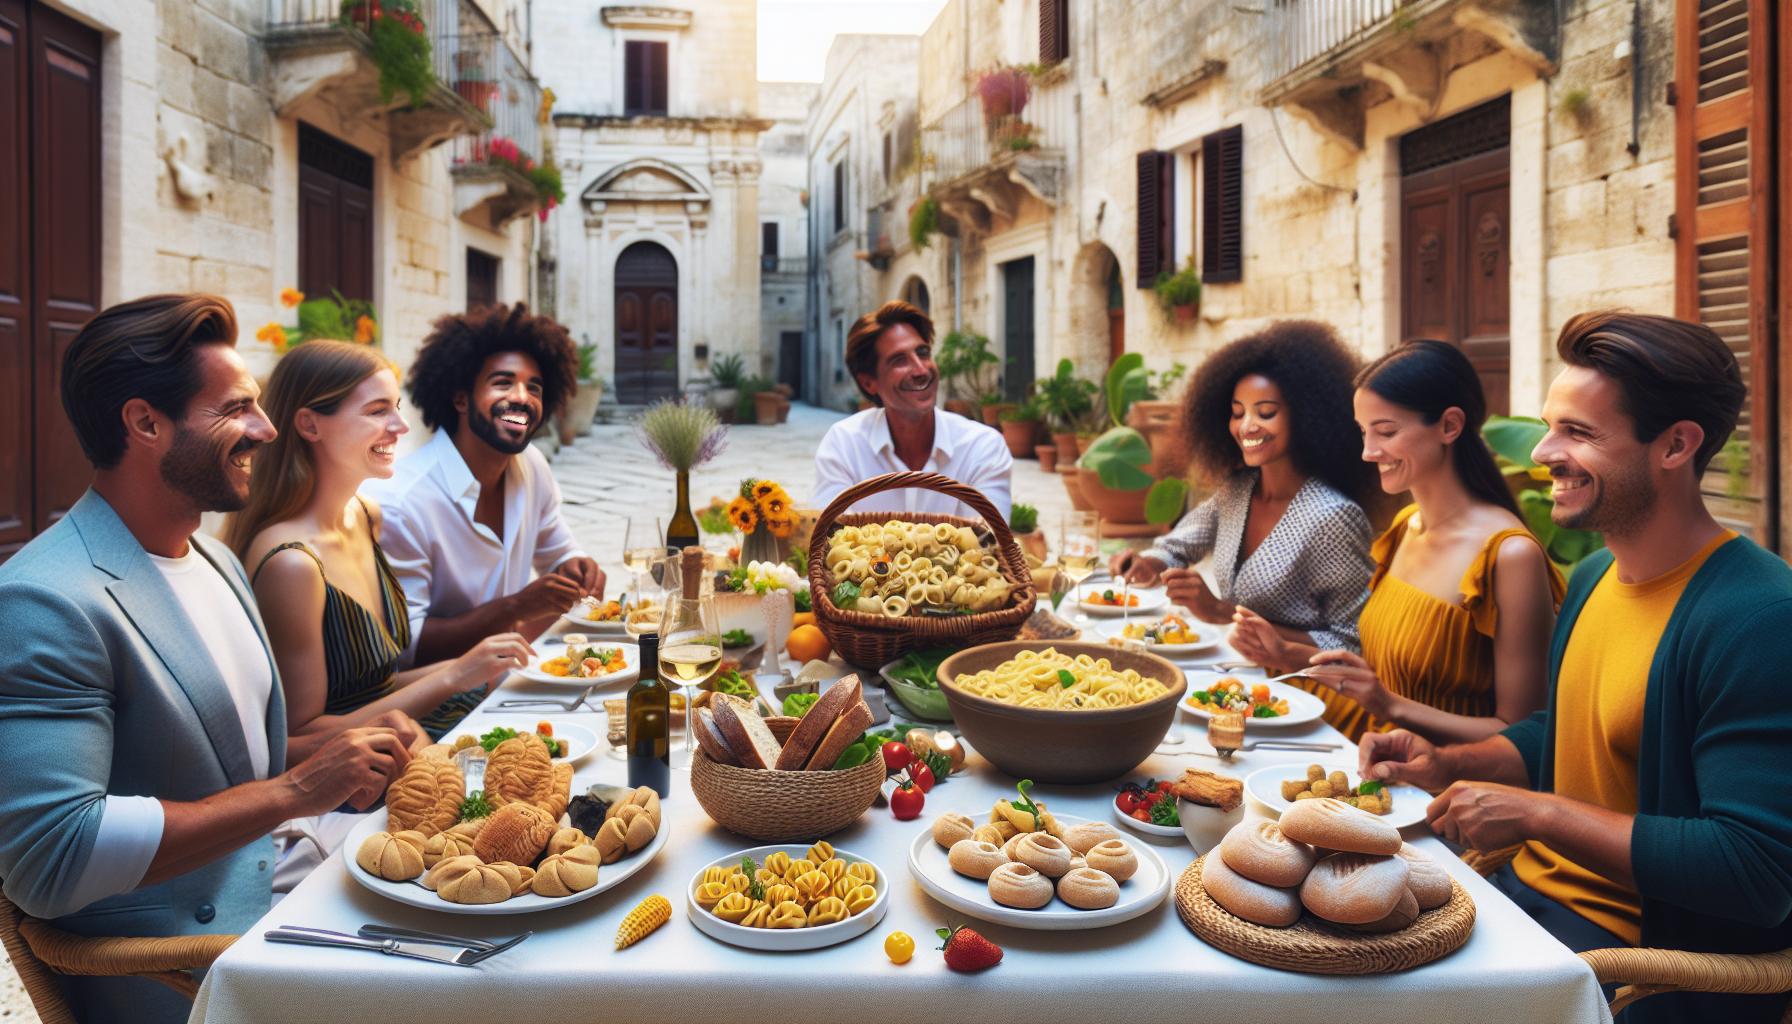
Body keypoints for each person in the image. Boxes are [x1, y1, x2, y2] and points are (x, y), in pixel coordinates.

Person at [1360, 312, 1792, 1024]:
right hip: (1522, 903)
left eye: (1578, 433)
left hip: (1635, 968)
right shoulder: (1595, 576)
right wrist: (1449, 762)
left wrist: (1537, 812)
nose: (1542, 453)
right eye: (1549, 426)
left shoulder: (1758, 617)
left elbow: (1754, 871)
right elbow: (1564, 733)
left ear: (1675, 445)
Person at [0, 295, 414, 1024]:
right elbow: (53, 858)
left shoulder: (216, 559)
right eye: (235, 409)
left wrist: (355, 751)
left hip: (293, 886)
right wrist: (295, 792)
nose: (265, 428)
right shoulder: (45, 600)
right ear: (145, 423)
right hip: (190, 973)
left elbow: (233, 764)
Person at [1231, 340, 1561, 743]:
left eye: (1386, 431)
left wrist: (1390, 706)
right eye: (1363, 432)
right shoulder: (1407, 525)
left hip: (1438, 773)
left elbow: (1522, 737)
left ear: (1449, 426)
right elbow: (1391, 672)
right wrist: (1288, 654)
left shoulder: (1510, 556)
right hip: (1365, 745)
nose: (1368, 452)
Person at [226, 341, 536, 743]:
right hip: (364, 767)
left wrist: (472, 665)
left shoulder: (364, 514)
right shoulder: (292, 564)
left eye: (396, 407)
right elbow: (297, 741)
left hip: (411, 736)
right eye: (377, 411)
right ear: (310, 425)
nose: (400, 427)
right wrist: (454, 675)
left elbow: (377, 688)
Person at [1111, 320, 1377, 659]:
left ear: (1307, 416)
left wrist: (1223, 612)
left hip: (1300, 683)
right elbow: (1176, 548)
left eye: (1265, 412)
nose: (1247, 426)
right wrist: (1147, 564)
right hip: (1234, 670)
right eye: (1237, 413)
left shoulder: (1333, 517)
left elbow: (1353, 641)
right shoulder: (1237, 492)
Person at [364, 303, 604, 666]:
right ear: (461, 398)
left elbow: (559, 553)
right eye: (503, 382)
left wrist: (577, 567)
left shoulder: (531, 465)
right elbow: (405, 647)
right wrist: (515, 607)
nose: (522, 398)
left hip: (511, 676)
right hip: (441, 695)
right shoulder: (402, 502)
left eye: (535, 388)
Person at [813, 300, 1014, 520]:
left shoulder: (982, 446)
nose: (921, 370)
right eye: (899, 360)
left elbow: (988, 537)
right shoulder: (844, 444)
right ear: (869, 383)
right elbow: (830, 534)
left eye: (923, 353)